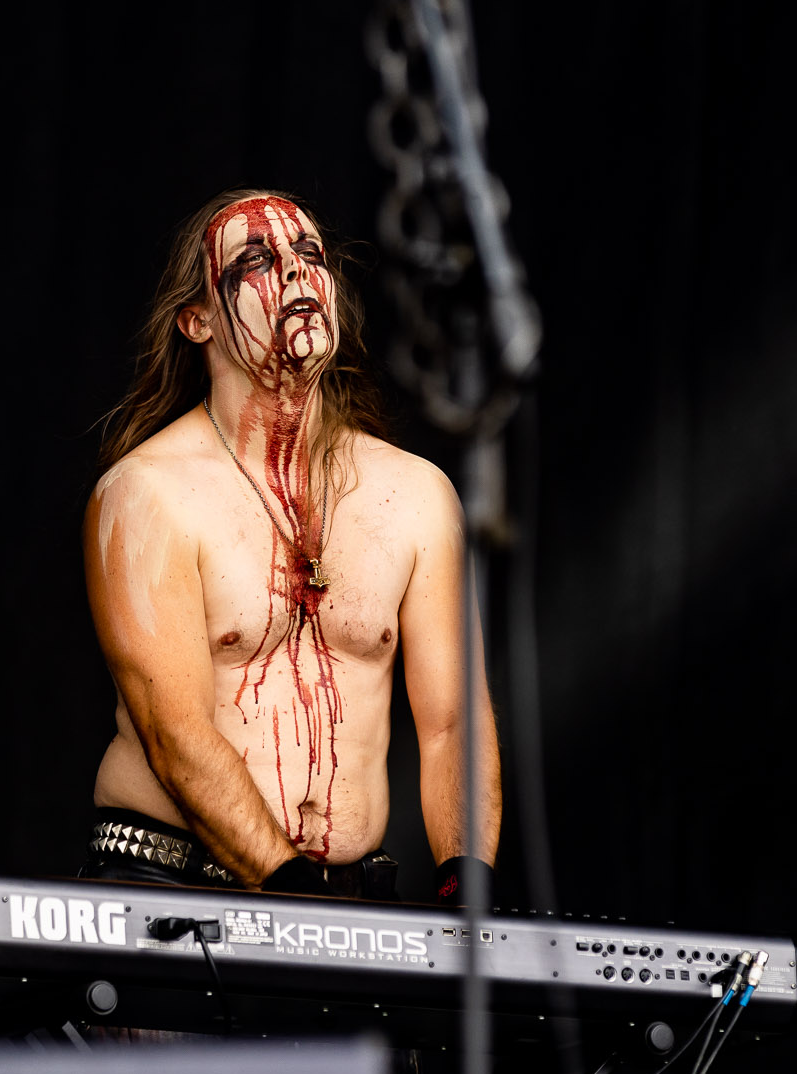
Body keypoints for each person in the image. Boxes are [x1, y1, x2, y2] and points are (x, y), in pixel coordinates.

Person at [80, 188, 498, 904]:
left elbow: (452, 724)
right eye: (256, 260)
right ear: (197, 320)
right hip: (172, 884)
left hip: (342, 898)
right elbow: (174, 734)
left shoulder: (417, 495)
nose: (297, 270)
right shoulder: (145, 495)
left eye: (310, 253)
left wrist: (468, 890)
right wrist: (298, 900)